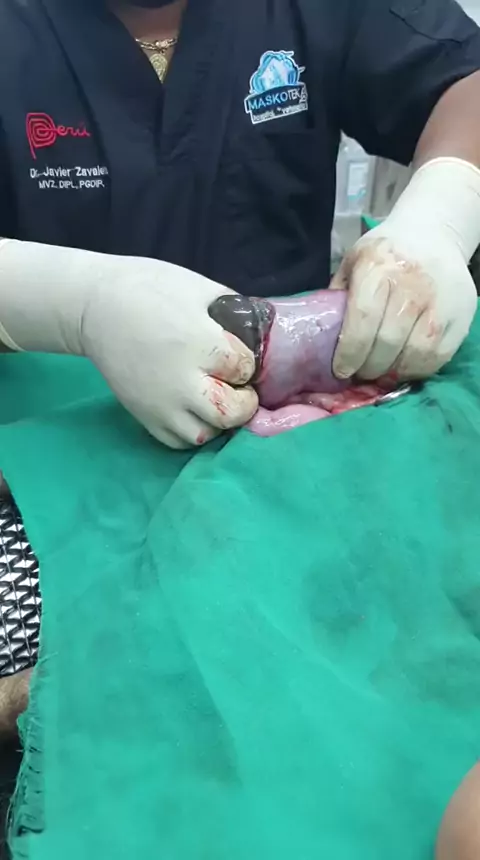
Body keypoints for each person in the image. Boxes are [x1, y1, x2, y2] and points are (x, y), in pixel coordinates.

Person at [0, 0, 480, 738]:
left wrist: (441, 217)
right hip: (46, 470)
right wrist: (71, 302)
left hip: (293, 453)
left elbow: (464, 80)